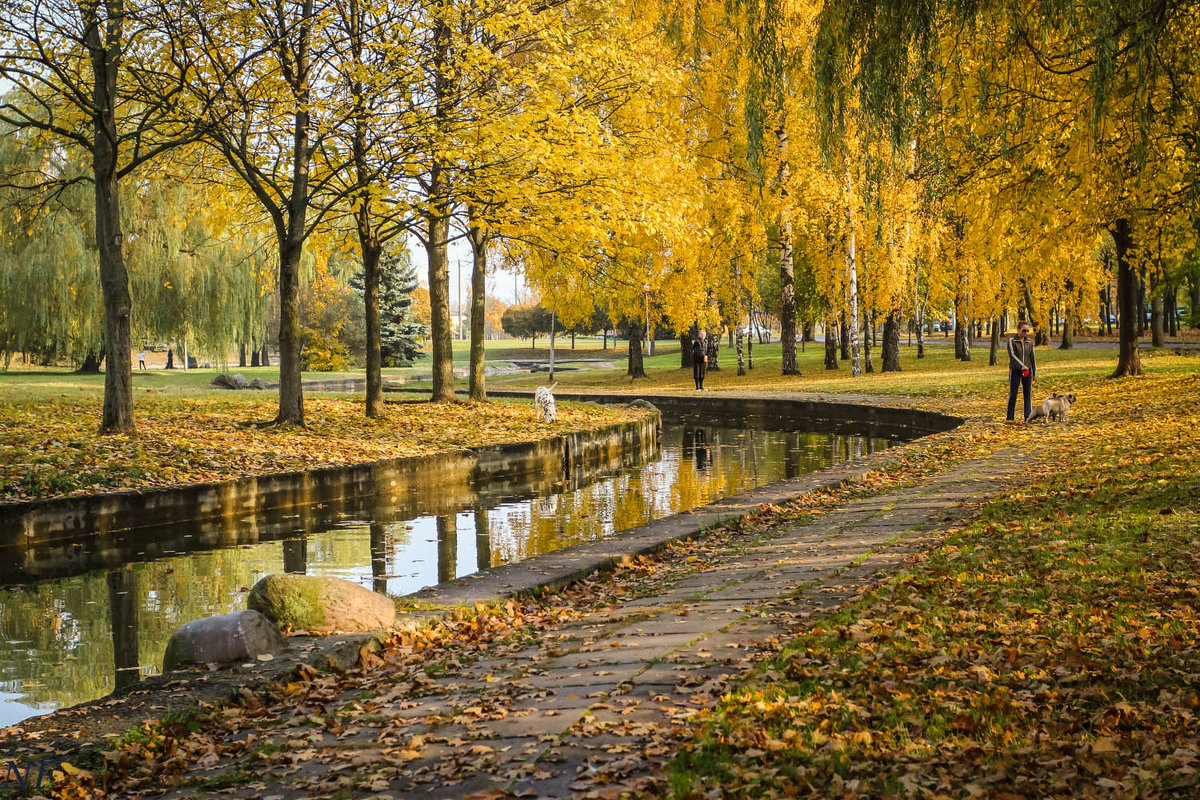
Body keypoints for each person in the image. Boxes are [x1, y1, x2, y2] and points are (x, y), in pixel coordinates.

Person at [1006, 320, 1036, 422]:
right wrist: (1021, 365)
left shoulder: (1029, 343)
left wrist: (1034, 373)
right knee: (1013, 394)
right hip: (1015, 371)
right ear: (1018, 330)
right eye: (1024, 330)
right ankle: (1010, 418)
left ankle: (1028, 416)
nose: (1026, 333)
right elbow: (1012, 355)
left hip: (1028, 371)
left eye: (1028, 331)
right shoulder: (1012, 341)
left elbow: (1032, 358)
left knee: (1028, 394)